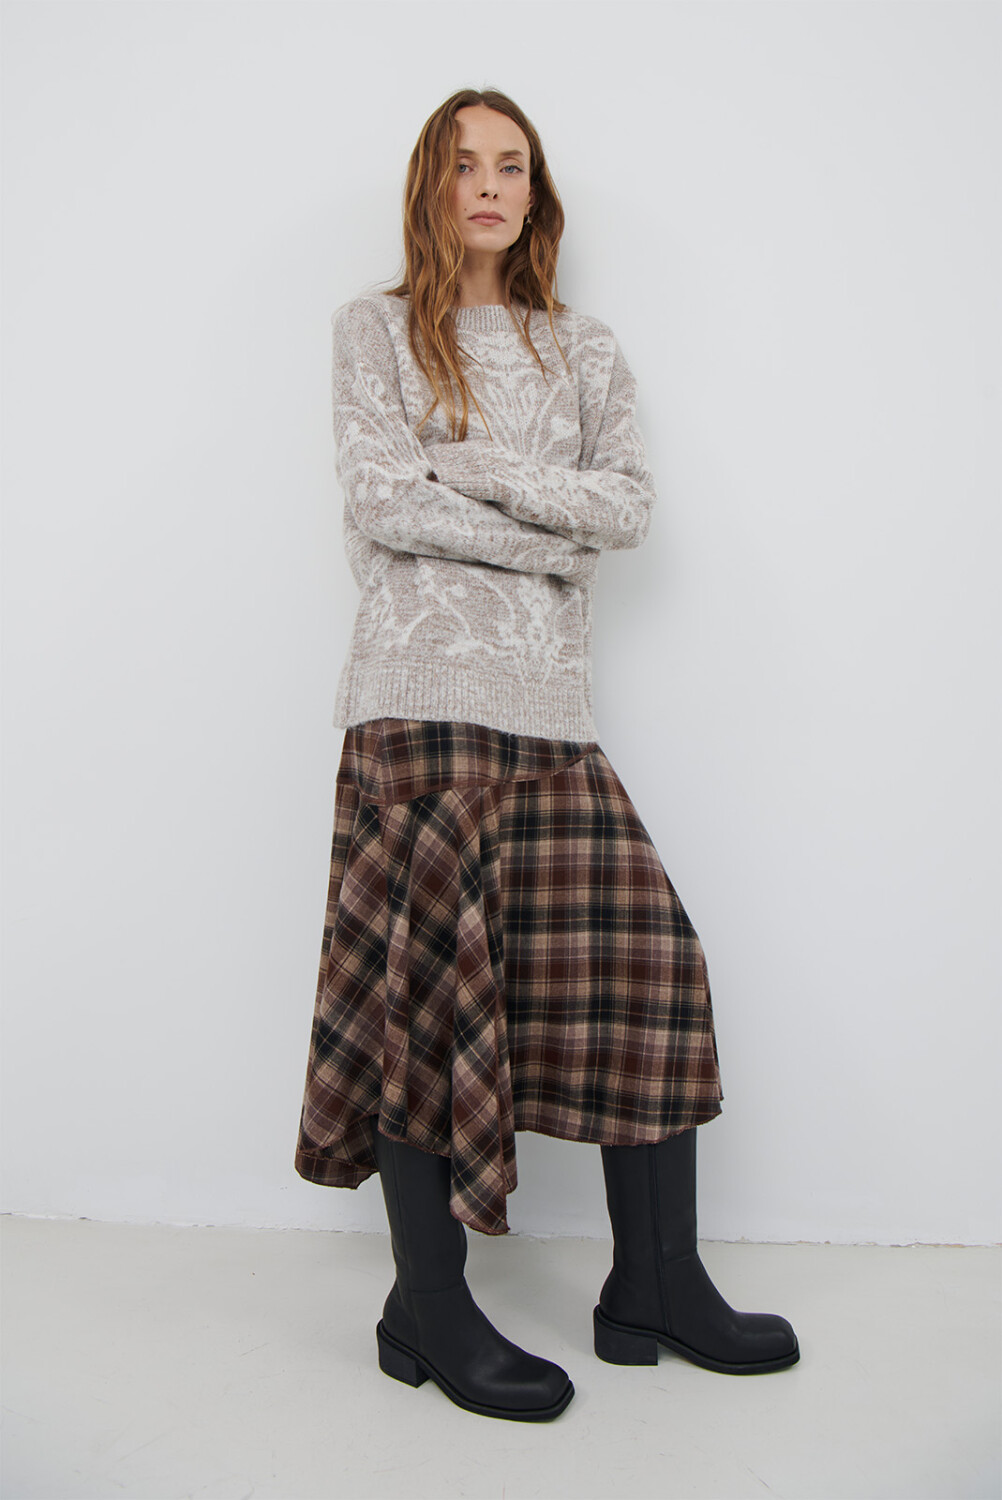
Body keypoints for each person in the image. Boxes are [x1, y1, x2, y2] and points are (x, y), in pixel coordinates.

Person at [294, 86, 799, 1423]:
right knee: (424, 1006)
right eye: (465, 163)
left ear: (535, 193)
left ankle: (655, 1283)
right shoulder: (371, 331)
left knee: (652, 962)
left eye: (511, 165)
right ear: (431, 184)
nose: (489, 184)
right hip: (416, 697)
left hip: (548, 711)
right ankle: (427, 1305)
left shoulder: (584, 349)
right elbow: (377, 499)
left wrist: (467, 470)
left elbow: (622, 510)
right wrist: (546, 533)